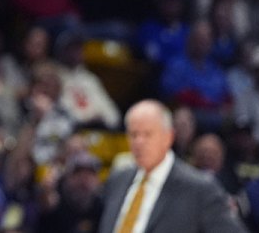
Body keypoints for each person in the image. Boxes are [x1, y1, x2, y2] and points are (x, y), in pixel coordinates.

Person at [97, 99, 246, 233]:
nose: (139, 142)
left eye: (148, 134)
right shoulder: (118, 179)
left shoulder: (200, 188)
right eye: (134, 134)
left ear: (168, 137)